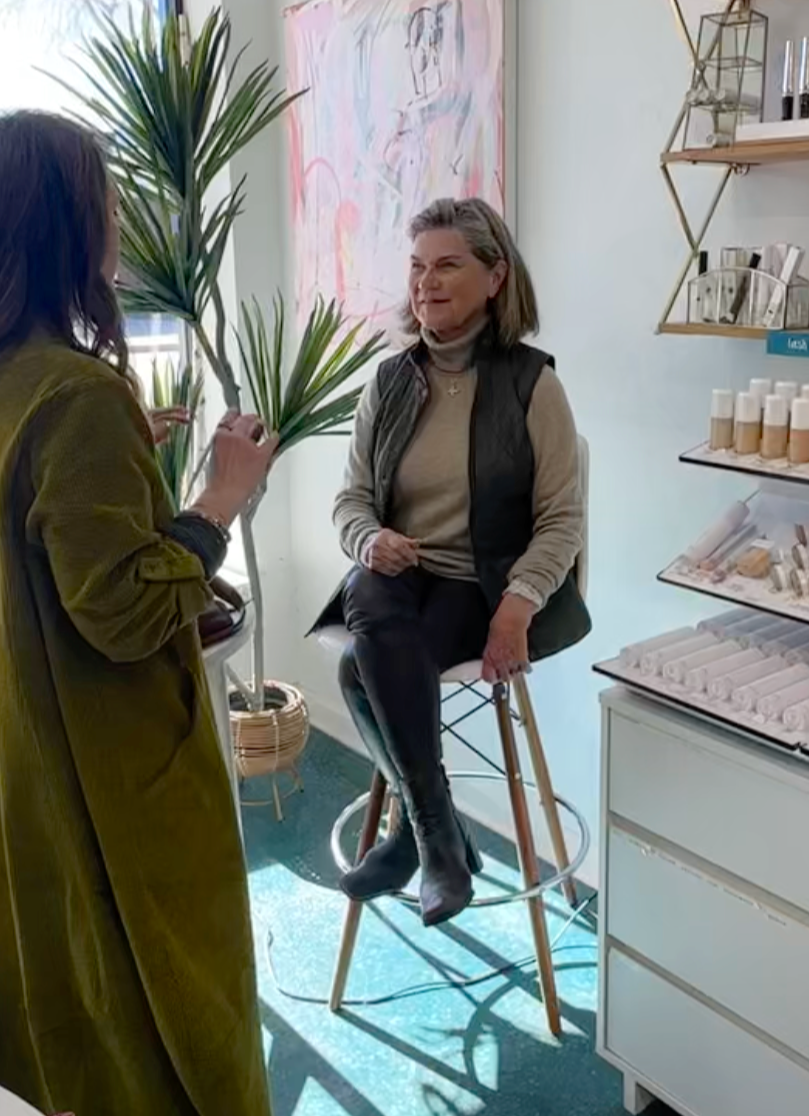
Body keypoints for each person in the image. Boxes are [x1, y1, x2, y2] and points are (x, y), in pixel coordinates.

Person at [0, 113, 276, 1116]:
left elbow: (2, 545)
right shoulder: (72, 396)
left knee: (26, 1018)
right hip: (96, 786)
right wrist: (217, 501)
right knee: (148, 1023)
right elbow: (118, 611)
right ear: (62, 226)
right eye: (104, 201)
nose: (117, 220)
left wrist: (118, 455)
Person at [317, 198, 591, 927]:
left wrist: (519, 602)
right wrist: (370, 540)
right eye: (416, 267)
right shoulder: (390, 380)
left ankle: (418, 832)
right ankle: (438, 833)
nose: (426, 283)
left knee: (357, 667)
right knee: (368, 591)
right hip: (399, 583)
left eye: (446, 265)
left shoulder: (534, 385)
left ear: (495, 276)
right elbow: (351, 501)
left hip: (483, 584)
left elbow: (562, 519)